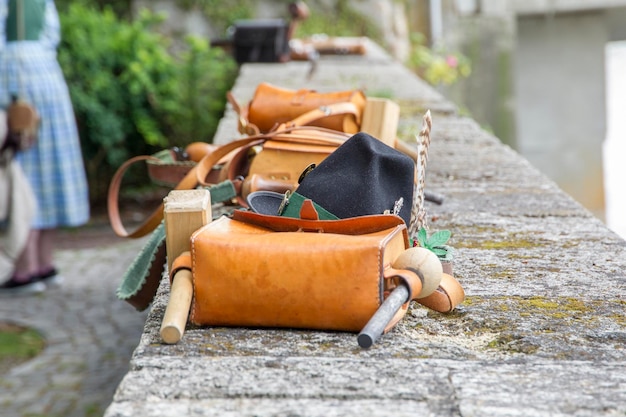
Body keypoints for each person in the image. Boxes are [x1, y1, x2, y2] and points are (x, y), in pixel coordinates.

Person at [0, 0, 90, 293]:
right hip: (47, 74)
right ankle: (44, 263)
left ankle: (26, 269)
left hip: (13, 77)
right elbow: (51, 34)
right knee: (50, 169)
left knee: (20, 171)